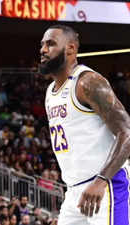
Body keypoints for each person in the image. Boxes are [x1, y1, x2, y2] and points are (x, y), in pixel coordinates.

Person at [40, 24, 130, 224]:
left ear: (71, 48)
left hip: (106, 185)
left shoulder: (87, 82)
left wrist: (101, 180)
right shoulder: (50, 92)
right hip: (74, 192)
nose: (43, 50)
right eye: (42, 44)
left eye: (51, 44)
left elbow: (127, 132)